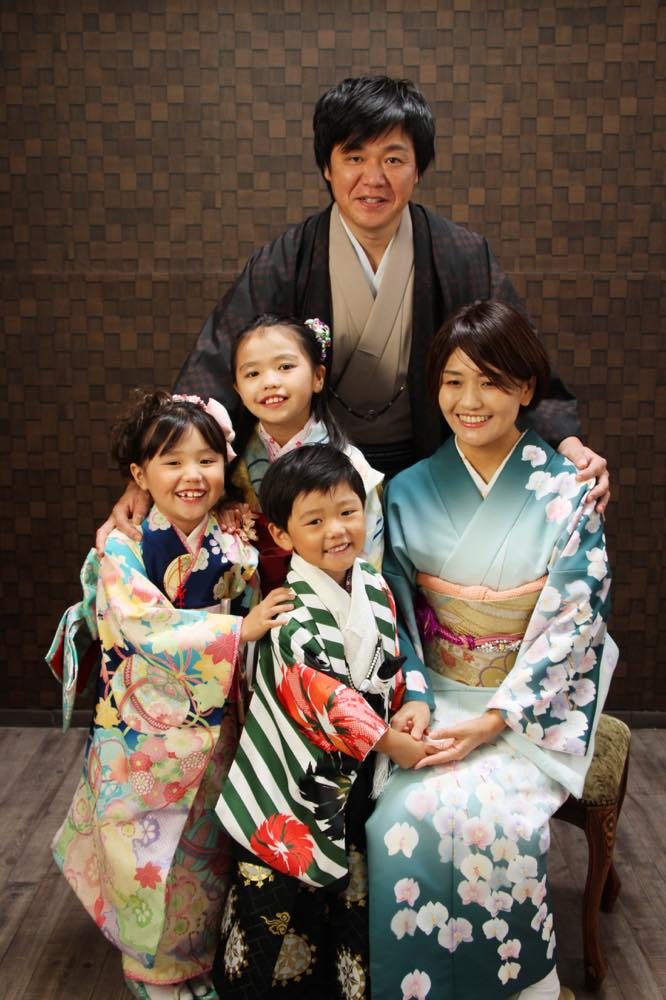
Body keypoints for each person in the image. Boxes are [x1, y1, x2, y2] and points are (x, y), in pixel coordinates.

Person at [98, 75, 609, 551]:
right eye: (355, 157)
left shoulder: (460, 255)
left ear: (418, 167)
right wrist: (156, 469)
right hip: (316, 479)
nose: (373, 179)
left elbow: (517, 359)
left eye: (394, 159)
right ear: (327, 166)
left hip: (433, 472)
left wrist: (567, 441)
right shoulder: (289, 260)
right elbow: (215, 364)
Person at [365, 300, 618, 1000]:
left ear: (527, 389)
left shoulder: (569, 493)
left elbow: (576, 620)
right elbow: (392, 614)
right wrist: (417, 696)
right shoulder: (405, 492)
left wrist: (496, 718)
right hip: (434, 695)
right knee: (401, 820)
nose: (469, 401)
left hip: (529, 705)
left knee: (498, 821)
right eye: (453, 381)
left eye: (491, 382)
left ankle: (522, 987)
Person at [51, 391, 294, 1000]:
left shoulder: (232, 535)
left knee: (201, 850)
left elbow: (255, 592)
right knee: (142, 847)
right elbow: (140, 624)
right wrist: (236, 629)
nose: (192, 476)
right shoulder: (124, 545)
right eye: (172, 462)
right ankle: (152, 972)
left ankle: (192, 960)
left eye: (207, 460)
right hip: (139, 728)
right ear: (139, 475)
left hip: (215, 723)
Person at [212, 444, 433, 999]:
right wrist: (390, 740)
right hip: (289, 789)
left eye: (347, 512)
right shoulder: (289, 613)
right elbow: (326, 699)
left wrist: (412, 699)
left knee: (344, 900)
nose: (336, 530)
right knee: (273, 908)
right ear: (281, 534)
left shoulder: (374, 585)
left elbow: (392, 658)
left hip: (346, 786)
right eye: (314, 521)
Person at [226, 312, 383, 588]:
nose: (269, 381)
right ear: (238, 390)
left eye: (285, 366)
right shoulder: (228, 463)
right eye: (253, 373)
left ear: (318, 377)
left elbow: (368, 559)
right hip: (252, 603)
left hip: (333, 602)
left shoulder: (350, 464)